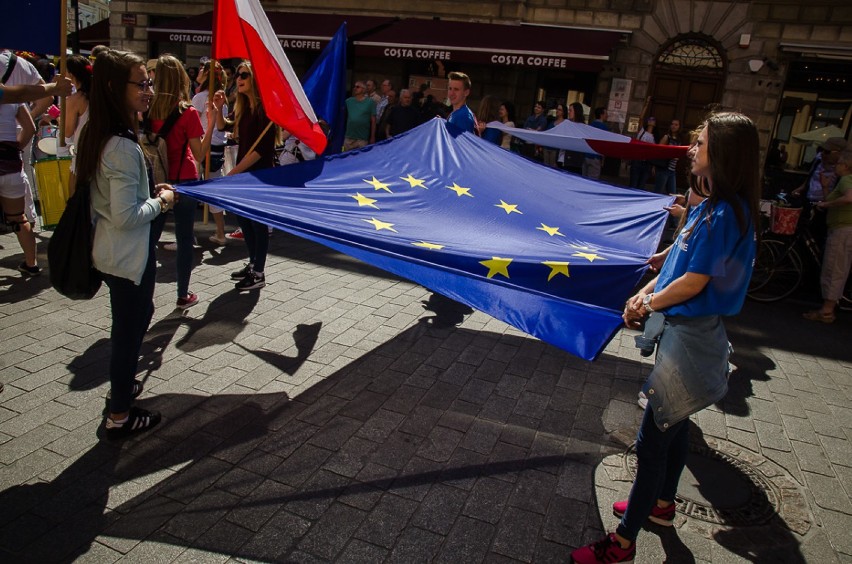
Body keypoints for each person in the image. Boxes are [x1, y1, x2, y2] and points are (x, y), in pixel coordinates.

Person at [571, 112, 760, 563]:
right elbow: (678, 257)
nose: (692, 149)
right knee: (674, 429)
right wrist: (645, 289)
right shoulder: (713, 207)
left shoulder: (727, 214)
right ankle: (661, 506)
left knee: (653, 440)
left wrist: (644, 304)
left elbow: (693, 281)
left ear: (725, 153)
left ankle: (622, 542)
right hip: (683, 334)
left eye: (702, 143)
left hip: (691, 341)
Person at [79, 49, 175, 439]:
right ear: (115, 88)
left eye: (149, 82)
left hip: (115, 253)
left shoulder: (96, 132)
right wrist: (163, 200)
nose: (149, 90)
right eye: (142, 83)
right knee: (128, 334)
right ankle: (119, 414)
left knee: (135, 322)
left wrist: (149, 193)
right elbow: (126, 215)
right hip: (127, 257)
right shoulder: (120, 145)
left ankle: (122, 386)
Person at [147, 55, 213, 309]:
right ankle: (183, 294)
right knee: (185, 240)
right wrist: (211, 124)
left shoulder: (147, 110)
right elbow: (198, 154)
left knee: (150, 240)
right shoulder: (189, 112)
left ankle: (146, 294)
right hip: (185, 180)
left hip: (157, 180)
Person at [213, 60, 277, 291]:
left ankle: (258, 272)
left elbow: (262, 151)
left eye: (244, 75)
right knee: (244, 223)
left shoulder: (265, 111)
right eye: (238, 75)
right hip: (243, 174)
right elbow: (226, 129)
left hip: (259, 177)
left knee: (257, 225)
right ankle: (252, 263)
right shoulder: (243, 106)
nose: (238, 79)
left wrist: (234, 172)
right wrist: (218, 109)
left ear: (255, 80)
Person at [804, 149, 852, 323]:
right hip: (840, 227)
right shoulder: (843, 180)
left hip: (843, 229)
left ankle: (827, 311)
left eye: (838, 163)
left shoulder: (847, 179)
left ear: (845, 166)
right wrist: (825, 188)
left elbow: (849, 198)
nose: (835, 165)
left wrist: (826, 203)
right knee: (834, 267)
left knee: (834, 269)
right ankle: (827, 308)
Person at [192, 60, 229, 245]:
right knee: (214, 192)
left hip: (202, 148)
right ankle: (221, 232)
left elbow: (192, 124)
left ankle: (186, 236)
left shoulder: (200, 99)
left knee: (191, 190)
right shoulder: (222, 100)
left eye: (202, 69)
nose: (198, 71)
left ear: (207, 75)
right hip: (217, 150)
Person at [63, 55, 92, 186]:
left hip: (82, 152)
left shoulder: (75, 99)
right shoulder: (99, 94)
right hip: (100, 149)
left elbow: (67, 132)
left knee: (76, 198)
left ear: (71, 74)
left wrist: (59, 119)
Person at [654, 119, 687, 194]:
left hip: (672, 169)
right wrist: (670, 154)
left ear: (679, 127)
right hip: (664, 168)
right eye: (672, 124)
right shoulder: (666, 137)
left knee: (672, 193)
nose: (673, 126)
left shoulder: (679, 139)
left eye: (676, 125)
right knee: (658, 192)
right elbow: (657, 151)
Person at [343, 80, 375, 151]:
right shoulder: (348, 101)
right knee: (345, 157)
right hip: (349, 137)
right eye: (354, 87)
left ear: (363, 90)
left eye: (357, 87)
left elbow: (373, 121)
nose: (355, 88)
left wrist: (372, 137)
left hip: (362, 138)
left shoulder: (370, 102)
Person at [629, 116, 658, 189]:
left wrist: (654, 166)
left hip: (647, 163)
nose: (651, 120)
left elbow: (655, 152)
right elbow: (640, 118)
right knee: (633, 184)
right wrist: (645, 106)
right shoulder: (642, 131)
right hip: (637, 160)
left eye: (653, 119)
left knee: (641, 186)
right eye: (649, 119)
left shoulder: (655, 137)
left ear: (655, 123)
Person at [583, 107, 610, 179]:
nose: (607, 115)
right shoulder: (604, 128)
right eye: (606, 114)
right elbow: (604, 144)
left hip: (586, 155)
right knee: (592, 181)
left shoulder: (590, 125)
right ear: (601, 115)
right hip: (596, 157)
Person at [543, 102, 566, 167]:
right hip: (547, 147)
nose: (557, 111)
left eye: (559, 110)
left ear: (563, 112)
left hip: (556, 150)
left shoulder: (565, 123)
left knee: (553, 168)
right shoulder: (551, 123)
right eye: (557, 109)